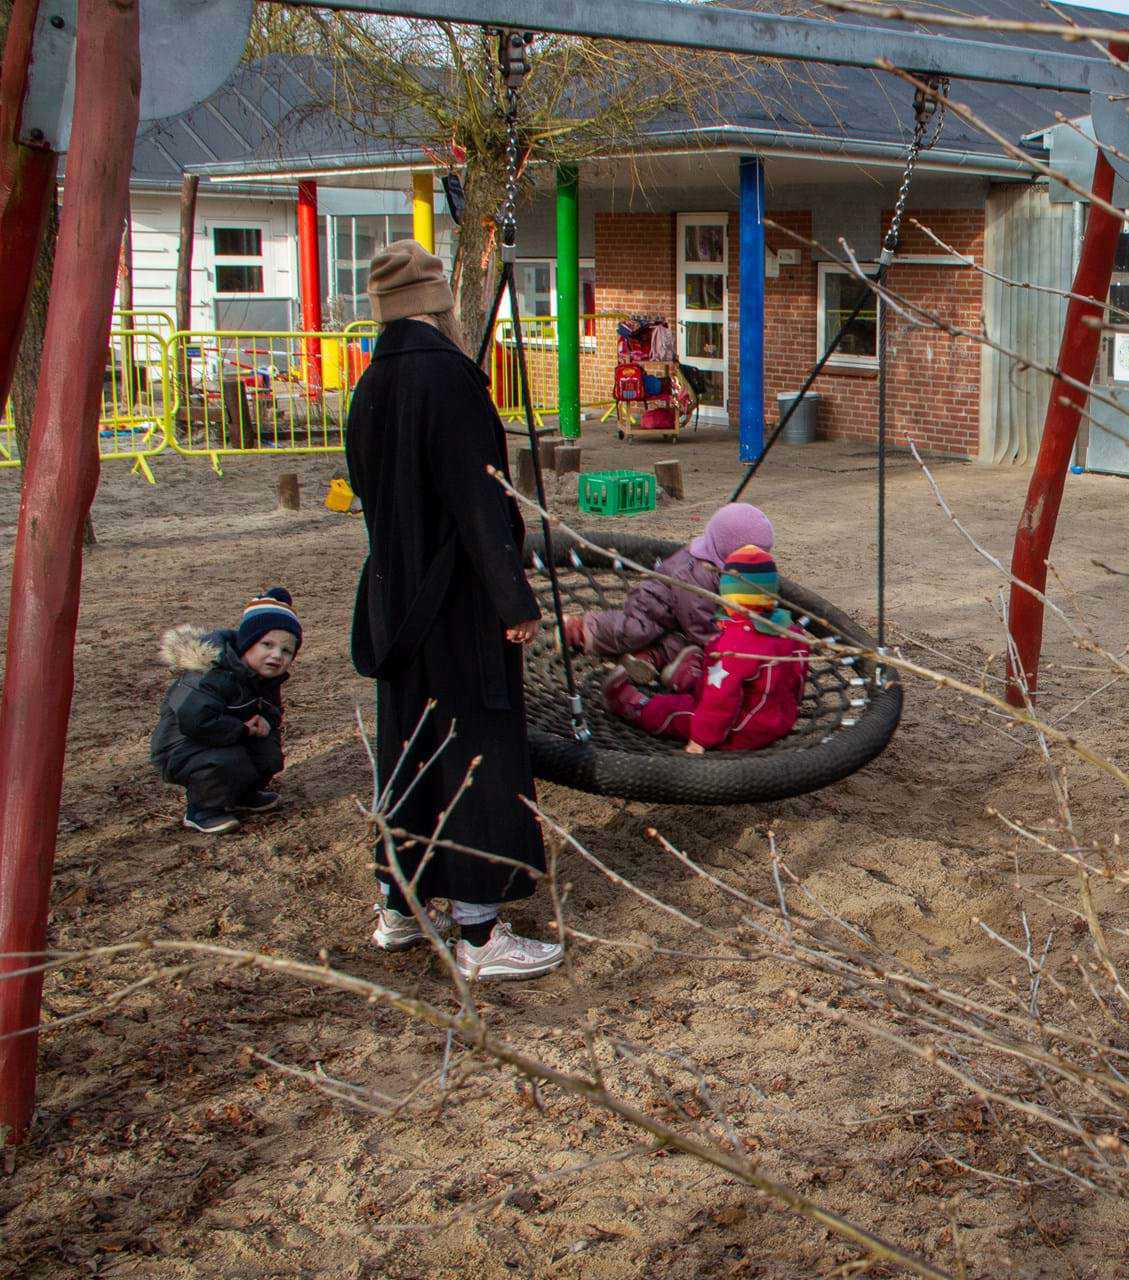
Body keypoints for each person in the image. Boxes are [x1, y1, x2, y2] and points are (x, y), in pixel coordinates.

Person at [345, 239, 562, 982]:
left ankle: (399, 908)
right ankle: (478, 937)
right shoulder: (451, 380)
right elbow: (480, 499)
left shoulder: (370, 384)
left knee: (410, 750)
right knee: (475, 752)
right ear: (437, 309)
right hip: (459, 603)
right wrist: (512, 595)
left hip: (395, 601)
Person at [605, 545, 809, 753]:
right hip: (780, 719)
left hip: (740, 730)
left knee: (674, 711)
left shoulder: (735, 645)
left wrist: (701, 739)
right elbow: (798, 680)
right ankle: (687, 676)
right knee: (723, 676)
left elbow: (720, 700)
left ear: (730, 597)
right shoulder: (792, 631)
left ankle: (635, 706)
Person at [560, 502, 773, 687]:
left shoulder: (719, 566)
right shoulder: (696, 573)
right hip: (652, 607)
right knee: (635, 631)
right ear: (728, 552)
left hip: (678, 622)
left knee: (679, 645)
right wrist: (716, 643)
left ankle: (647, 659)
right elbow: (695, 619)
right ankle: (580, 629)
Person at [151, 589, 300, 835]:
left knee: (268, 750)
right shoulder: (212, 672)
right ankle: (201, 810)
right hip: (182, 746)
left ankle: (242, 795)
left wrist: (265, 721)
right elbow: (195, 721)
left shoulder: (265, 678)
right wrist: (242, 728)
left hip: (227, 736)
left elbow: (272, 710)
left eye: (286, 651)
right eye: (267, 644)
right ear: (247, 643)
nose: (276, 655)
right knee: (226, 761)